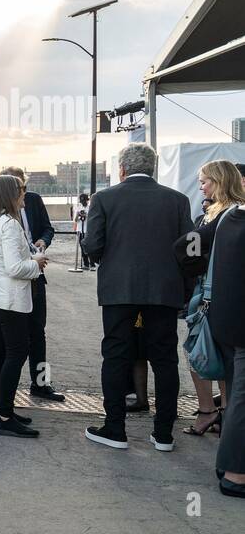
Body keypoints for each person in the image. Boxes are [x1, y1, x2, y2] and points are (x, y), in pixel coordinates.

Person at [82, 143, 193, 451]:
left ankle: (115, 428)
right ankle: (164, 434)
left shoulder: (103, 199)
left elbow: (92, 246)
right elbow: (190, 251)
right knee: (165, 360)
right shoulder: (178, 200)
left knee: (116, 356)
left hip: (119, 290)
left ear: (122, 169)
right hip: (164, 291)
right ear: (153, 168)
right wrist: (184, 288)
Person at [174, 161, 245, 436]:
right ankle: (225, 415)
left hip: (211, 295)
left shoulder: (221, 216)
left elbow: (184, 245)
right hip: (227, 295)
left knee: (197, 351)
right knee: (227, 358)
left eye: (204, 181)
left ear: (218, 181)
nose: (200, 186)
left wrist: (196, 268)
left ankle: (209, 411)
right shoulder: (229, 211)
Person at [0, 175, 48, 438]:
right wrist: (36, 263)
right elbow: (15, 267)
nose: (24, 195)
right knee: (16, 353)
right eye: (20, 190)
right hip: (9, 299)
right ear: (10, 194)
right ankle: (5, 414)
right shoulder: (10, 225)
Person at [2, 166, 63, 401]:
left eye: (23, 186)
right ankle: (6, 392)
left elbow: (48, 228)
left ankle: (41, 384)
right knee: (13, 341)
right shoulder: (1, 212)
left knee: (39, 333)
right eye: (18, 188)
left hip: (36, 276)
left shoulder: (34, 200)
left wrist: (43, 241)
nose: (22, 192)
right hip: (15, 279)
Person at [207, 201, 245, 497]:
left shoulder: (230, 216)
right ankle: (235, 474)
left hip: (227, 321)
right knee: (241, 400)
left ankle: (228, 464)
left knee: (236, 396)